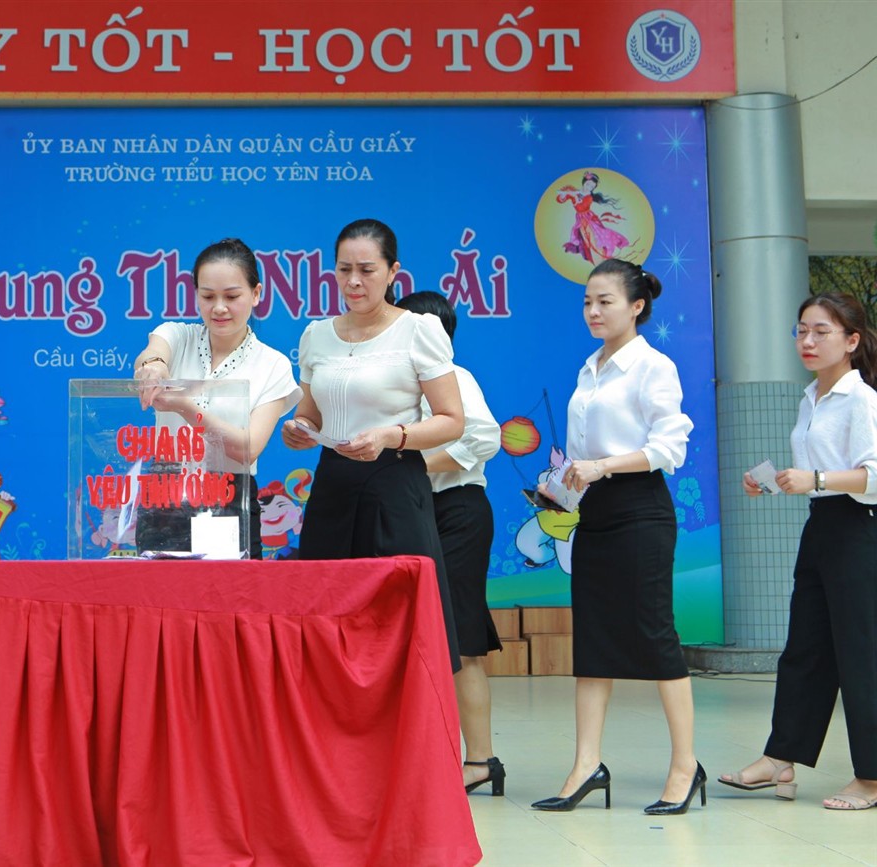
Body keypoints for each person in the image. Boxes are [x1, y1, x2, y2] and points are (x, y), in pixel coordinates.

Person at [530, 258, 703, 815]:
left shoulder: (653, 366)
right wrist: (563, 484)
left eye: (605, 301)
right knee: (594, 639)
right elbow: (584, 453)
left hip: (640, 510)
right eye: (587, 301)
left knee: (655, 634)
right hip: (595, 512)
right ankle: (586, 765)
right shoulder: (590, 369)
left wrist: (603, 466)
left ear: (637, 306)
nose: (593, 311)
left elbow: (670, 448)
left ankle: (685, 767)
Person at [280, 219, 466, 670]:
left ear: (393, 271)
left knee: (397, 623)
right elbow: (311, 414)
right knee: (326, 619)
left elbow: (452, 421)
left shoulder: (418, 330)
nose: (354, 281)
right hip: (333, 486)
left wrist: (391, 436)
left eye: (367, 270)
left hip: (394, 484)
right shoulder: (316, 335)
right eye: (344, 270)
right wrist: (299, 429)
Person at [719, 291, 877, 811]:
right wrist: (774, 483)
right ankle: (780, 758)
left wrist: (818, 478)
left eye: (821, 332)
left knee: (861, 654)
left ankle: (871, 777)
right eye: (801, 330)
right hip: (822, 526)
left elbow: (873, 477)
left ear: (851, 341)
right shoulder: (811, 396)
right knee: (804, 648)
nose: (807, 341)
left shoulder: (861, 399)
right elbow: (818, 476)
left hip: (860, 529)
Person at [395, 290, 505, 797]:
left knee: (460, 638)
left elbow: (484, 438)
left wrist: (411, 465)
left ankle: (480, 760)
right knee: (412, 637)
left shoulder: (456, 378)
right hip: (412, 511)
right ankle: (424, 758)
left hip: (457, 511)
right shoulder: (396, 386)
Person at [133, 237, 301, 559]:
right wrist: (153, 367)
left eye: (232, 296)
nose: (219, 307)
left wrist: (185, 407)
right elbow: (154, 352)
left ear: (256, 293)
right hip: (166, 492)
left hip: (229, 496)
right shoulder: (177, 335)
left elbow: (248, 448)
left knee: (225, 590)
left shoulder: (272, 364)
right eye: (208, 296)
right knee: (161, 590)